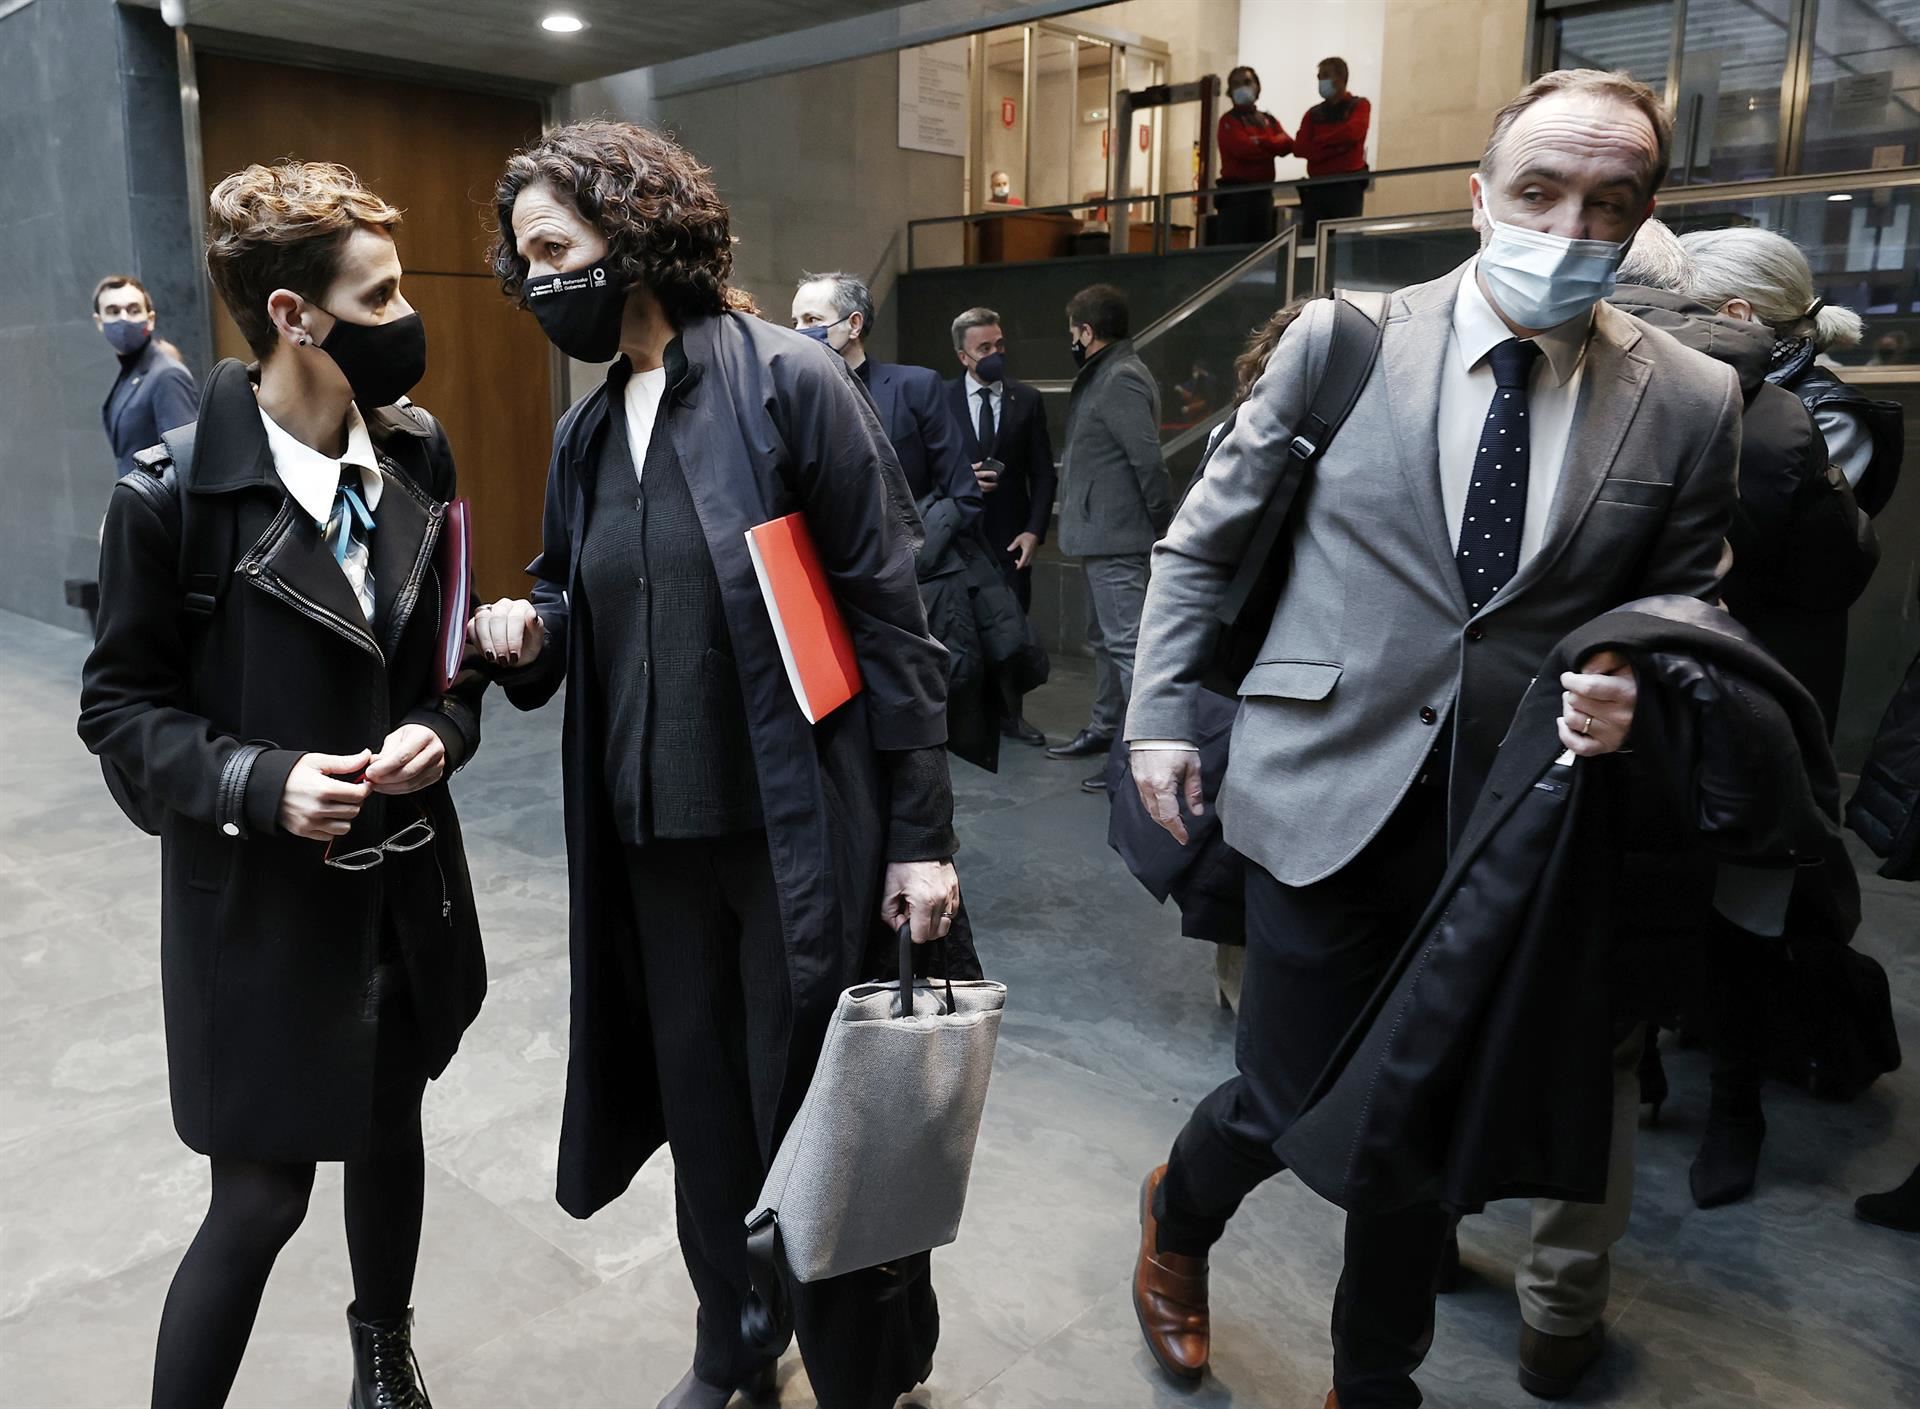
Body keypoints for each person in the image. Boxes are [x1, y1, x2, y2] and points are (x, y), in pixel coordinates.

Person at [1125, 69, 1742, 1409]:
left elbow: (1687, 613)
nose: (1570, 225)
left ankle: (1373, 1380)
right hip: (1318, 784)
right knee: (1293, 1100)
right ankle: (1179, 1214)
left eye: (1610, 202)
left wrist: (1637, 683)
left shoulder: (1691, 399)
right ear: (1478, 196)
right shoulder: (1342, 342)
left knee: (1413, 1113)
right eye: (1539, 191)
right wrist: (1160, 718)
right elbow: (1201, 545)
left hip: (1511, 822)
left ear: (1643, 220)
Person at [477, 120, 972, 1409]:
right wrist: (532, 631)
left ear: (637, 233)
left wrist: (922, 836)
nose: (536, 284)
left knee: (826, 1122)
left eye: (553, 252)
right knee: (702, 1113)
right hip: (652, 848)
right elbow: (578, 595)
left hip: (794, 834)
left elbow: (889, 615)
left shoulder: (787, 382)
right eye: (523, 261)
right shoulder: (587, 437)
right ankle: (735, 1340)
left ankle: (873, 1372)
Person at [77, 160, 488, 1409]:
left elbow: (451, 656)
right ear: (293, 315)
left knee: (389, 1127)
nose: (409, 313)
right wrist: (261, 780)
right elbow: (119, 711)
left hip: (402, 894)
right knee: (259, 1197)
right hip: (253, 910)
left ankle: (385, 1352)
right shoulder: (167, 497)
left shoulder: (420, 451)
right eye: (382, 295)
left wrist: (444, 728)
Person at [1504, 218, 1875, 1396]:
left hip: (1723, 722)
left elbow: (1826, 569)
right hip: (1666, 722)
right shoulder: (1728, 411)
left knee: (1729, 922)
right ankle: (1666, 1094)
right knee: (1646, 955)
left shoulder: (1792, 422)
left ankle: (1723, 1106)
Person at [1682, 226, 1904, 516]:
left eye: (1681, 316)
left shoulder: (1831, 417)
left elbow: (1754, 530)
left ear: (1735, 316)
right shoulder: (1707, 383)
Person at [1048, 283, 1173, 794]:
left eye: (1072, 329)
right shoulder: (1107, 373)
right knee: (1106, 642)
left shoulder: (1119, 377)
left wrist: (1165, 527)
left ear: (1086, 331)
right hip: (1101, 538)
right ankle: (1105, 730)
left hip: (1119, 540)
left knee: (1128, 649)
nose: (1071, 338)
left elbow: (1147, 461)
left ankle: (1132, 756)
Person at [947, 305, 1056, 745]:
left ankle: (1012, 716)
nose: (995, 354)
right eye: (984, 348)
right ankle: (963, 722)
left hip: (1012, 536)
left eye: (999, 344)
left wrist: (1034, 531)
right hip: (961, 534)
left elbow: (1043, 473)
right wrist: (961, 478)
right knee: (960, 628)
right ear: (963, 356)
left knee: (1012, 628)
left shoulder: (1026, 400)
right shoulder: (938, 398)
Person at [792, 273, 983, 521]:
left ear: (854, 324)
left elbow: (962, 493)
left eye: (811, 320)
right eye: (794, 322)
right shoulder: (796, 400)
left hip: (911, 551)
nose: (798, 332)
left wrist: (922, 554)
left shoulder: (915, 387)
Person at [95, 273, 198, 478]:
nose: (123, 318)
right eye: (113, 311)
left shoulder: (167, 375)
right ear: (99, 322)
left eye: (133, 310)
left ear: (150, 319)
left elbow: (186, 464)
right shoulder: (129, 375)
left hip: (158, 509)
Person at [1292, 56, 1372, 238]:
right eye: (1319, 77)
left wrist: (1320, 144)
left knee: (1346, 245)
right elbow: (1300, 148)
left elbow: (1353, 132)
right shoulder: (1313, 114)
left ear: (1342, 78)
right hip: (1317, 189)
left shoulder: (1359, 106)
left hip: (1347, 188)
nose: (1321, 81)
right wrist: (1338, 147)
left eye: (1326, 75)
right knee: (1314, 243)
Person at [1215, 65, 1292, 245]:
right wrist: (1271, 143)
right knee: (1233, 255)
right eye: (1236, 84)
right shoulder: (1228, 121)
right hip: (1235, 197)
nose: (1242, 87)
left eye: (1247, 82)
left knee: (1260, 253)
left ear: (1257, 86)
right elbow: (1242, 149)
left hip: (1263, 195)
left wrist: (1260, 141)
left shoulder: (1268, 119)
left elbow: (1289, 145)